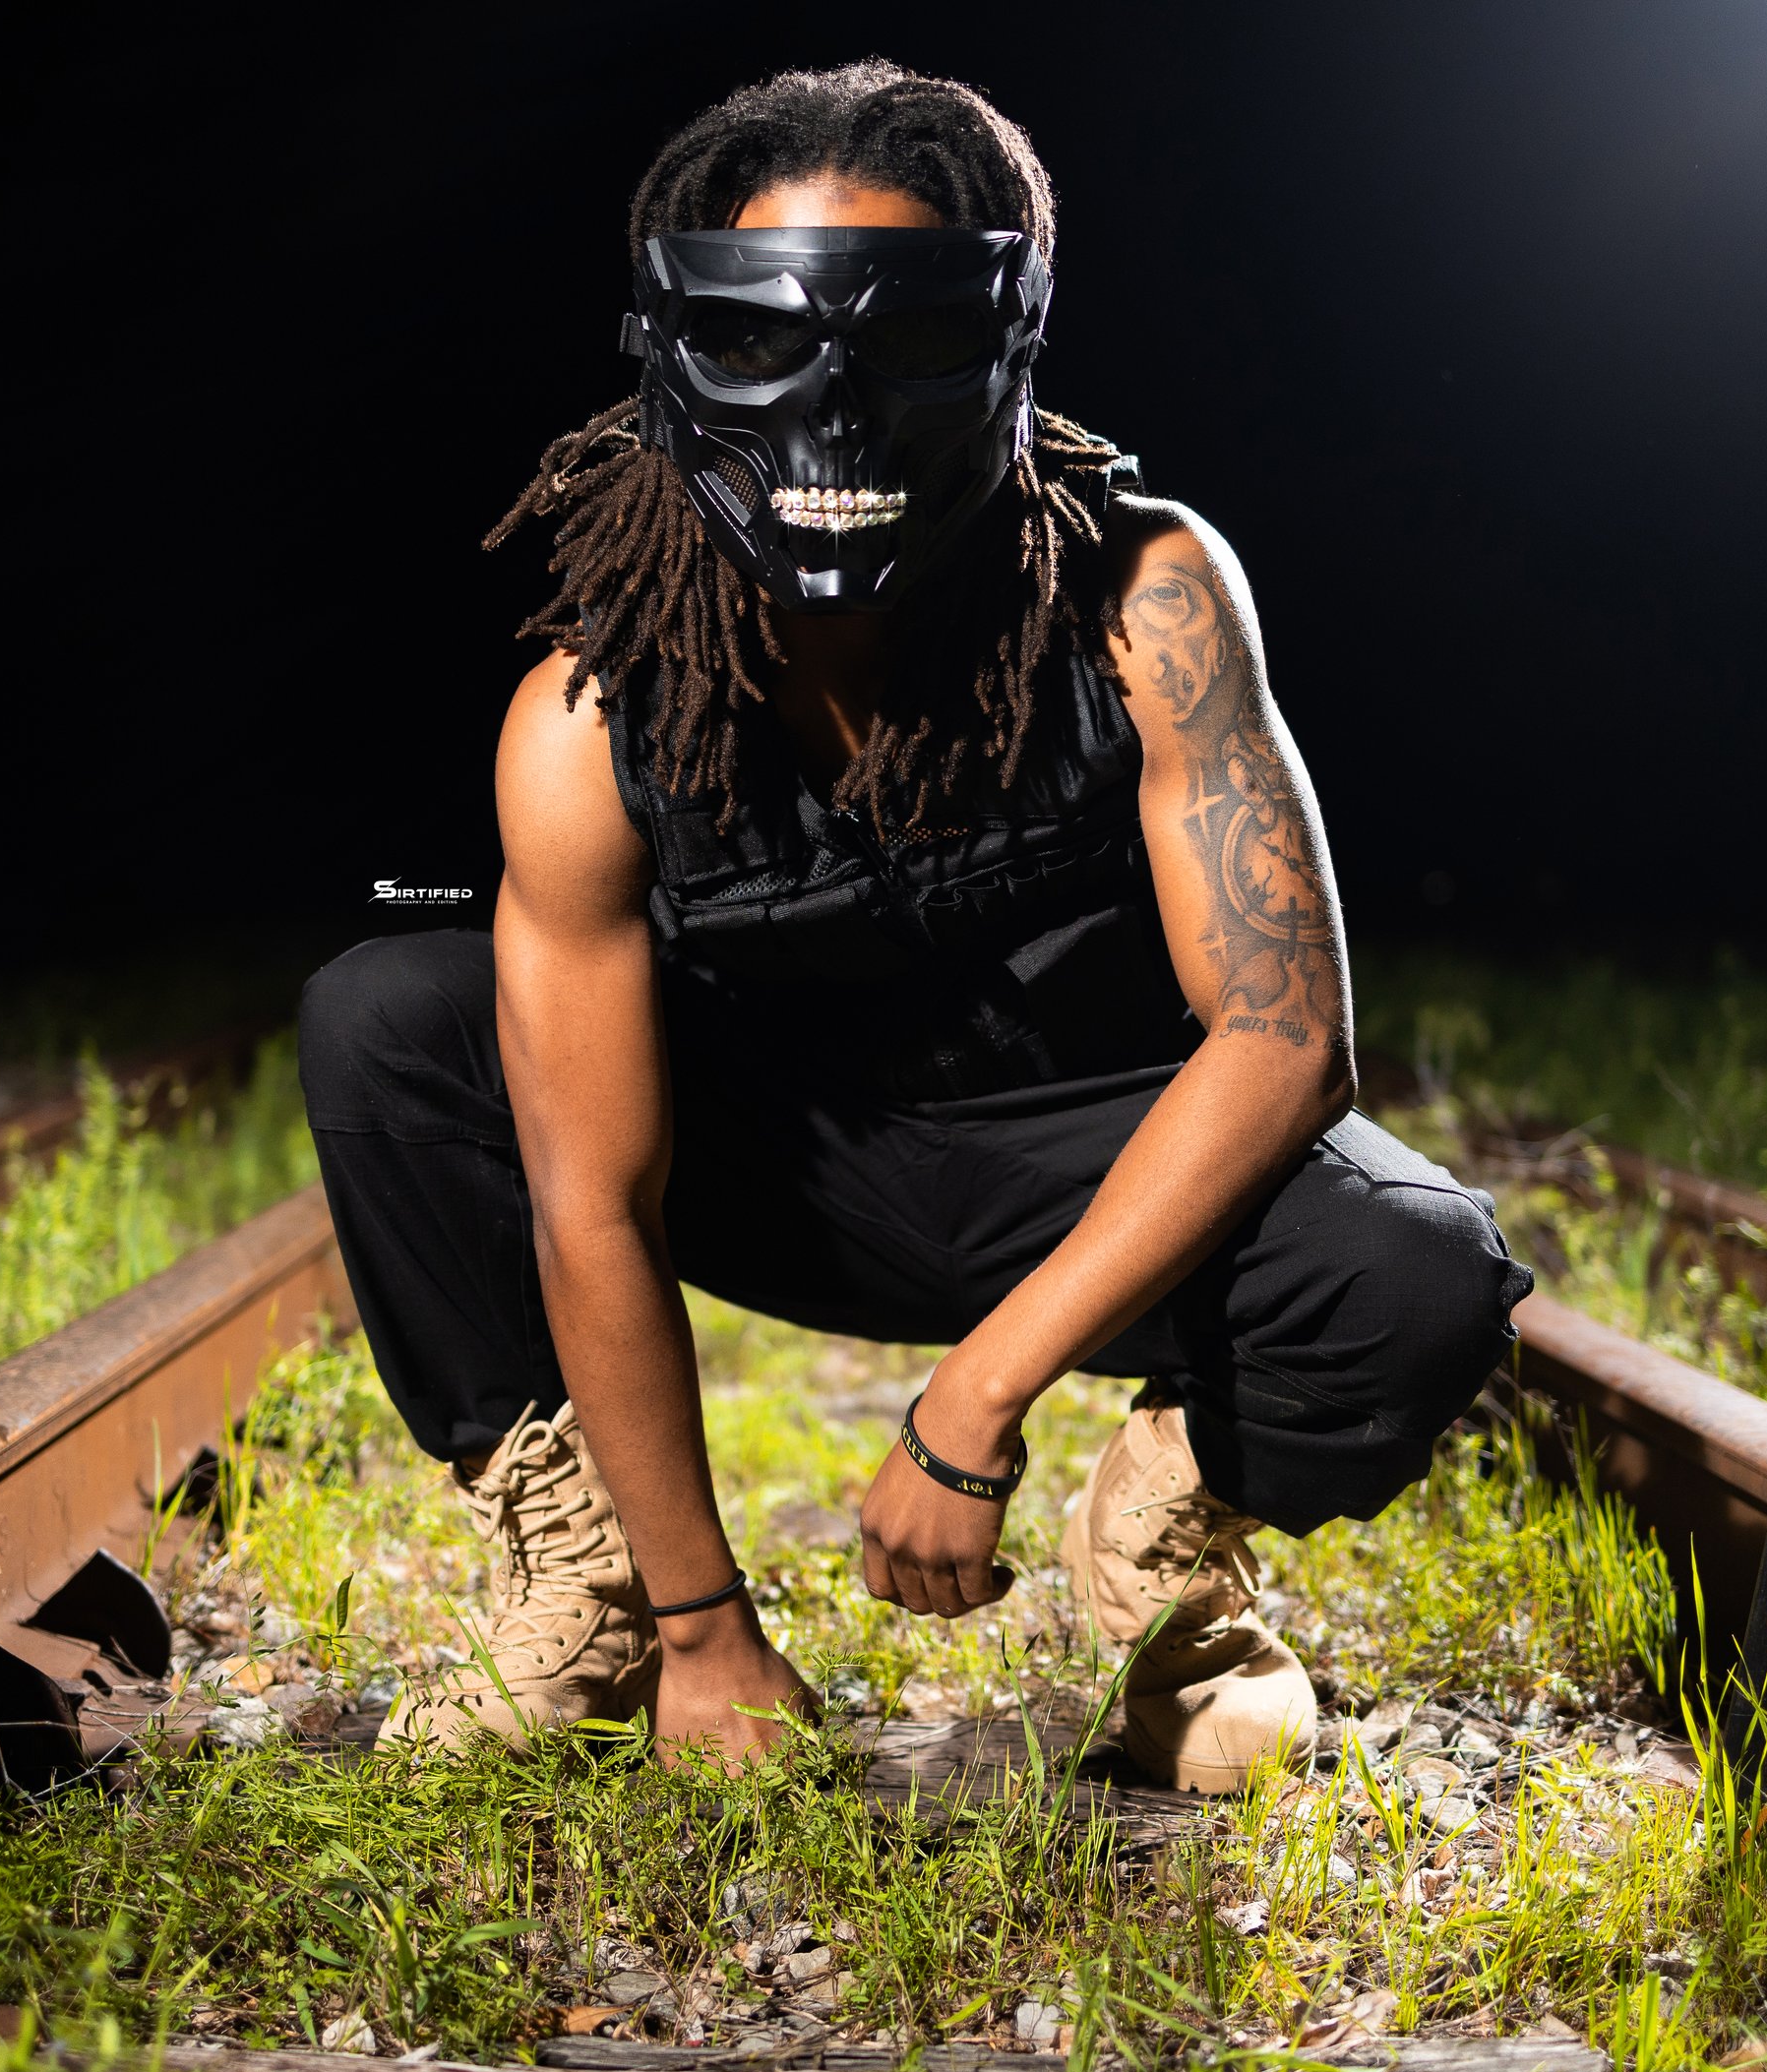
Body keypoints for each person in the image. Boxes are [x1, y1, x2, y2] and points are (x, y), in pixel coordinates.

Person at [298, 61, 1530, 1795]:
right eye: (761, 342)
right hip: (786, 1175)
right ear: (670, 353)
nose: (836, 416)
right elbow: (594, 1198)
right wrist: (705, 1633)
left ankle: (1171, 1570)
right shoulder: (587, 724)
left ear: (1014, 343)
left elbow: (1285, 1035)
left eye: (908, 345)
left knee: (1420, 1267)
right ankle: (596, 1600)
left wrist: (977, 1403)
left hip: (1092, 1176)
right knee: (390, 1018)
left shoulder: (1146, 597)